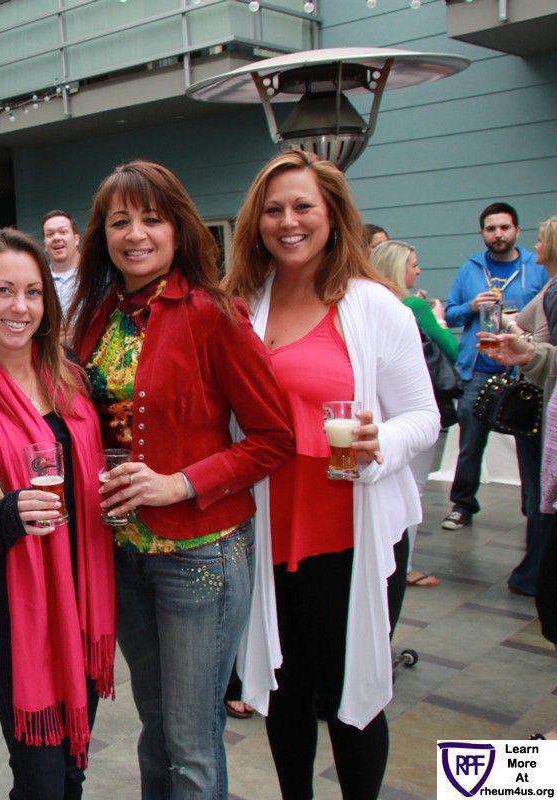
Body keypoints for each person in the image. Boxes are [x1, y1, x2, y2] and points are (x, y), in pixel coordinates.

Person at [68, 160, 295, 799]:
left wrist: (181, 483)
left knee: (192, 743)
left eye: (152, 219)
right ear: (102, 236)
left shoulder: (212, 313)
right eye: (120, 222)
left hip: (201, 553)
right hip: (123, 552)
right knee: (156, 729)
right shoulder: (97, 317)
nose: (135, 234)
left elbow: (275, 436)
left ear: (178, 229)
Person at [224, 150, 439, 800]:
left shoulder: (375, 306)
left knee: (352, 695)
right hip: (269, 531)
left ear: (333, 214)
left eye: (303, 207)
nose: (288, 221)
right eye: (274, 210)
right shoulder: (243, 307)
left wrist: (383, 441)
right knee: (284, 691)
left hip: (350, 533)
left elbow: (424, 417)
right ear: (257, 223)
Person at [0, 227, 115, 799]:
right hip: (13, 622)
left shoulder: (73, 379)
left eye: (33, 292)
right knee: (40, 782)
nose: (20, 307)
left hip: (83, 606)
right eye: (3, 290)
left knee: (72, 773)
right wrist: (10, 514)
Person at [442, 202, 546, 533]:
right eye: (491, 229)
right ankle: (462, 505)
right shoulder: (470, 269)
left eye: (504, 227)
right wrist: (471, 306)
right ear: (482, 233)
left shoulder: (536, 268)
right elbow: (451, 315)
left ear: (517, 230)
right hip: (479, 369)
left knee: (528, 445)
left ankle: (534, 511)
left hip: (523, 369)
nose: (498, 234)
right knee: (470, 443)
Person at [371, 239, 458, 589]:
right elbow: (451, 349)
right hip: (413, 413)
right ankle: (402, 566)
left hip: (378, 416)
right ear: (398, 268)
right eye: (413, 264)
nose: (418, 270)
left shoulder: (364, 306)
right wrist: (438, 319)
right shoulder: (412, 307)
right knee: (412, 489)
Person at [482, 215, 557, 598]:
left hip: (543, 397)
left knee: (540, 488)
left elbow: (517, 325)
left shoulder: (550, 289)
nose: (536, 247)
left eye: (542, 240)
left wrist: (525, 345)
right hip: (542, 394)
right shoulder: (549, 289)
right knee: (538, 487)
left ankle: (534, 571)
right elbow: (518, 324)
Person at [42, 210, 81, 323]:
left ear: (76, 239)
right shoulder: (39, 281)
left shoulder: (99, 274)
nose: (56, 238)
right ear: (45, 245)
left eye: (63, 232)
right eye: (50, 234)